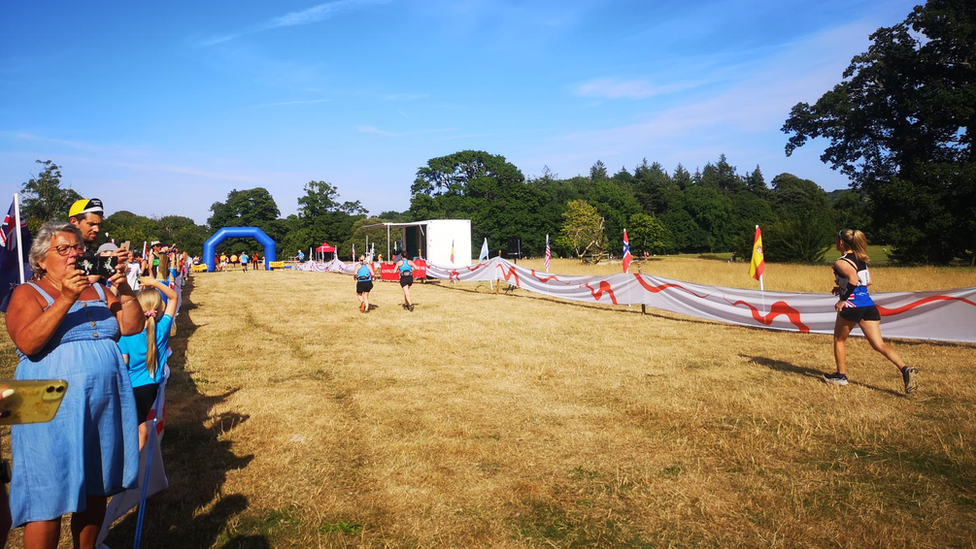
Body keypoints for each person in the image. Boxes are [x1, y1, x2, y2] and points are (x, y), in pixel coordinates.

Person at [4, 222, 142, 549]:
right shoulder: (26, 292)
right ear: (40, 260)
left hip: (102, 402)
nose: (74, 254)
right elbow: (28, 342)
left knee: (96, 487)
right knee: (44, 495)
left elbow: (132, 326)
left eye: (77, 248)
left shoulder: (98, 288)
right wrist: (66, 296)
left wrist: (124, 289)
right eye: (62, 249)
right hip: (45, 405)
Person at [824, 229, 918, 393]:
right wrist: (841, 288)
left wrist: (843, 300)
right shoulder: (861, 260)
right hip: (868, 305)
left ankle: (841, 376)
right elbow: (867, 282)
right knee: (879, 344)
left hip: (853, 306)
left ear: (840, 242)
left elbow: (853, 280)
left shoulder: (841, 262)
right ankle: (905, 369)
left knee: (839, 340)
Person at [119, 277, 178, 450]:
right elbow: (173, 297)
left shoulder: (126, 336)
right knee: (142, 423)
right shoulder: (162, 328)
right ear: (159, 308)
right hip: (152, 386)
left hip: (131, 386)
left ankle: (136, 463)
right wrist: (154, 283)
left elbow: (123, 364)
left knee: (136, 428)